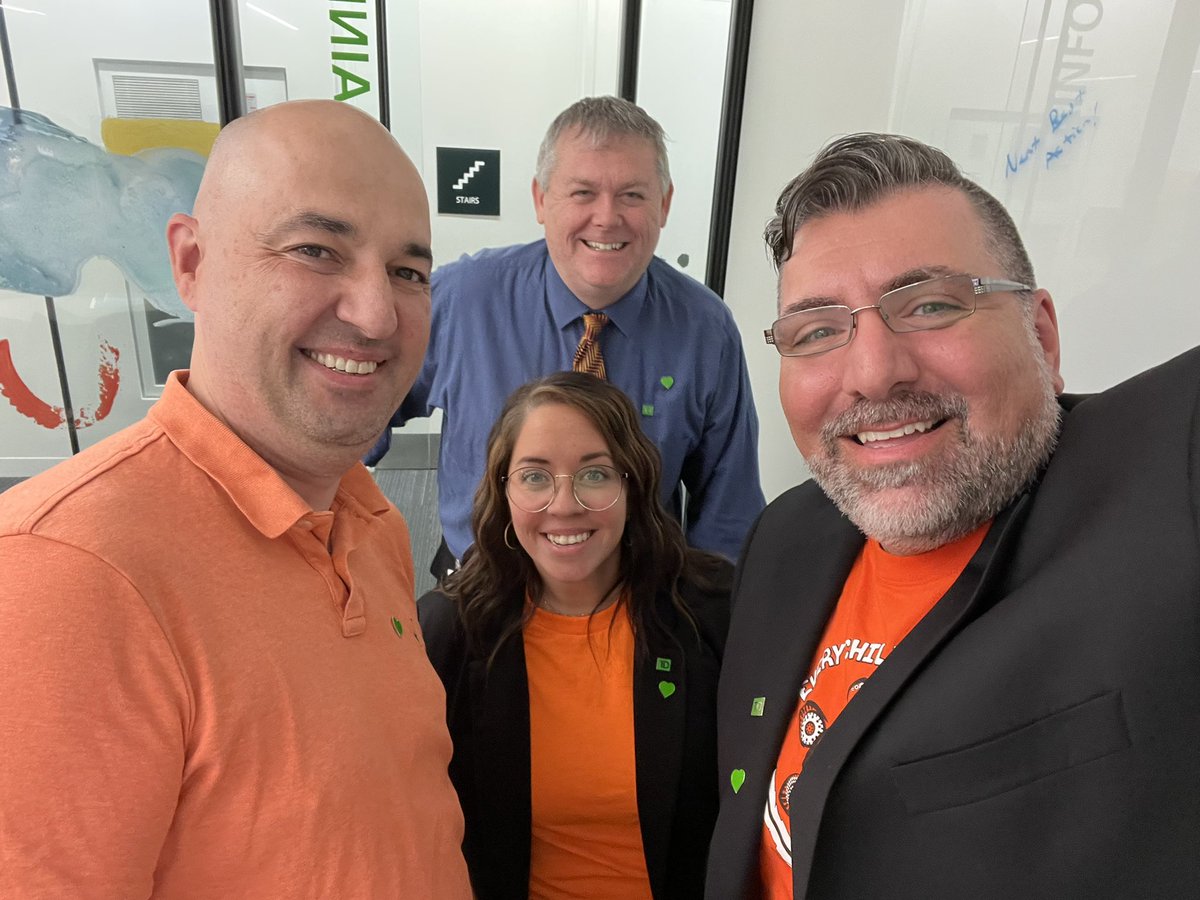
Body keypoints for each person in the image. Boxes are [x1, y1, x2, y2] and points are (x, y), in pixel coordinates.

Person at [705, 132, 1200, 898]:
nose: (873, 374)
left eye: (931, 305)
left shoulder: (1165, 477)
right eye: (817, 332)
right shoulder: (786, 539)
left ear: (1040, 332)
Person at [0, 100, 471, 897]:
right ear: (191, 263)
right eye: (317, 249)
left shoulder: (371, 522)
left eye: (408, 272)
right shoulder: (67, 574)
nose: (376, 312)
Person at [387, 95, 764, 578]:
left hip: (634, 600)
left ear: (665, 204)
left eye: (633, 194)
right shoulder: (459, 302)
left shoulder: (706, 330)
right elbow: (355, 423)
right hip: (483, 589)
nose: (606, 218)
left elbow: (728, 511)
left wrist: (705, 623)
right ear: (541, 200)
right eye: (582, 193)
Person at [419, 371, 733, 899]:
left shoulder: (714, 613)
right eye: (535, 477)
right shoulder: (450, 631)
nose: (564, 505)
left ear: (632, 483)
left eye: (594, 475)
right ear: (504, 489)